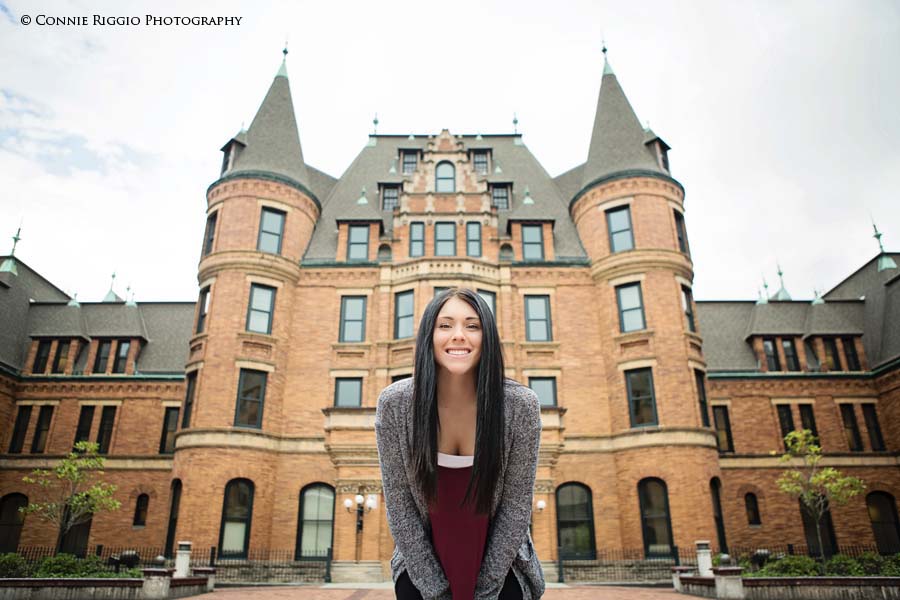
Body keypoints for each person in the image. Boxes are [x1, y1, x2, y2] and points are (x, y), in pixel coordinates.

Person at [375, 288, 545, 600]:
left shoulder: (520, 405)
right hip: (421, 564)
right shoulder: (395, 405)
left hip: (502, 564)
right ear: (429, 335)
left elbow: (516, 507)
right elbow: (400, 506)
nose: (458, 336)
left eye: (472, 325)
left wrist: (485, 591)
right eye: (445, 325)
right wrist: (435, 591)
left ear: (487, 337)